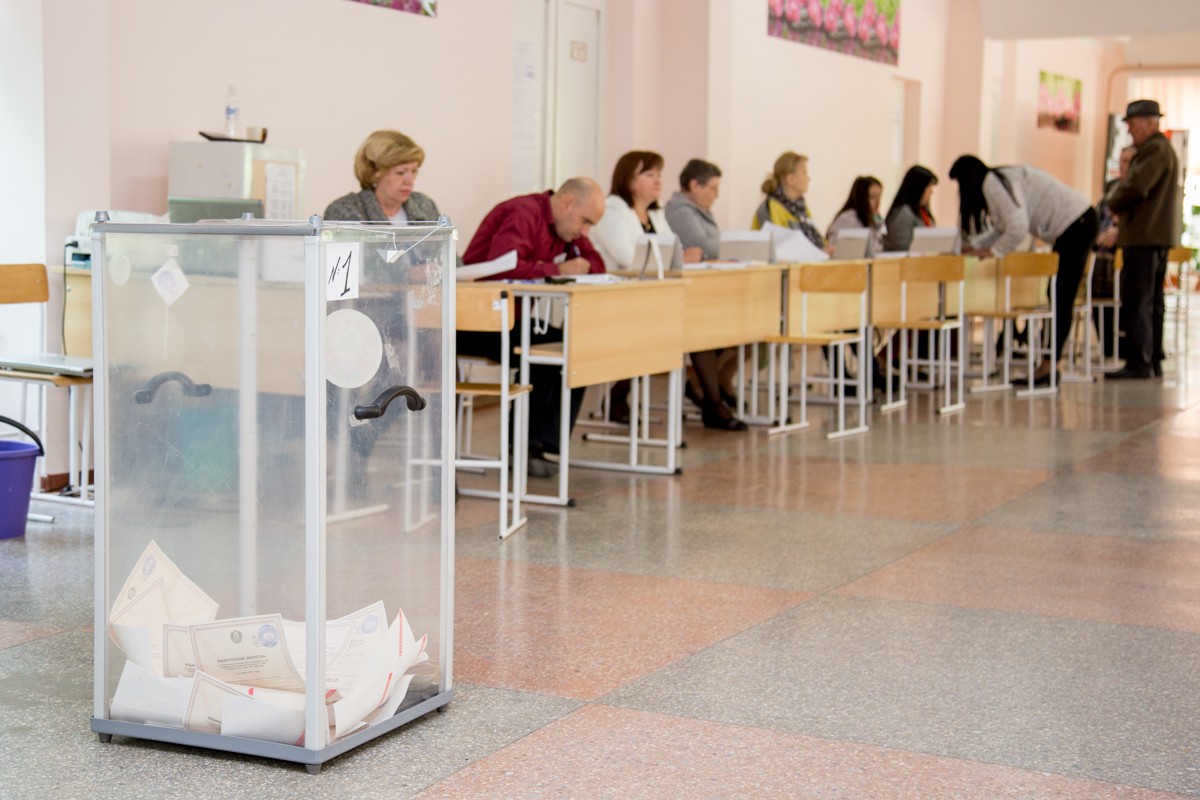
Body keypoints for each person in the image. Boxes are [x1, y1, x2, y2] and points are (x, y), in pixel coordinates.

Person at [458, 178, 607, 476]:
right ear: (567, 203)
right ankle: (520, 446)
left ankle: (540, 444)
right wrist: (558, 269)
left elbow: (597, 264)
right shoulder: (524, 213)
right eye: (586, 222)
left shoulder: (566, 228)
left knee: (575, 346)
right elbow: (503, 268)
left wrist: (580, 264)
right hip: (474, 321)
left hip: (511, 322)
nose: (586, 232)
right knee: (544, 352)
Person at [949, 155, 1099, 384]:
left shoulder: (993, 183)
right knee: (1057, 295)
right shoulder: (1001, 178)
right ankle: (1049, 365)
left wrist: (994, 252)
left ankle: (1049, 366)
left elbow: (1018, 226)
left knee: (1060, 297)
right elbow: (1004, 227)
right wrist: (977, 247)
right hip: (1078, 222)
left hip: (1075, 224)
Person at [590, 151, 675, 423]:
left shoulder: (655, 214)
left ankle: (618, 396)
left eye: (659, 174)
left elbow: (673, 254)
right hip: (611, 298)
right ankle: (617, 397)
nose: (657, 180)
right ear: (628, 180)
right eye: (649, 174)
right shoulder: (612, 211)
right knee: (655, 327)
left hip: (645, 296)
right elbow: (630, 259)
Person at [664, 159, 747, 431]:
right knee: (705, 333)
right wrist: (733, 246)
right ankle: (711, 399)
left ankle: (709, 387)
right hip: (684, 294)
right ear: (694, 185)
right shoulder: (680, 212)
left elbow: (712, 246)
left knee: (741, 325)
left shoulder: (701, 212)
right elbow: (704, 246)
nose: (716, 194)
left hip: (703, 289)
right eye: (713, 188)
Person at [1106, 99, 1182, 379]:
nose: (1129, 130)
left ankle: (1139, 360)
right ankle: (1152, 357)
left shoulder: (1154, 149)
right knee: (1151, 301)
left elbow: (1136, 185)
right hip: (1152, 236)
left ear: (1150, 123)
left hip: (1145, 236)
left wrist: (1113, 202)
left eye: (1133, 125)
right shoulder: (1161, 149)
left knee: (1138, 299)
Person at [324, 130, 441, 222]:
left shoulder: (425, 205)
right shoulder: (343, 211)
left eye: (414, 171)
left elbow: (444, 246)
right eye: (400, 172)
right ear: (374, 172)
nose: (410, 181)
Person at [1092, 145, 1137, 358]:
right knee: (1095, 293)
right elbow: (1099, 213)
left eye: (1127, 161)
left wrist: (1119, 231)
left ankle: (1122, 346)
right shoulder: (1111, 186)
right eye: (1121, 160)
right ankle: (1107, 346)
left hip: (1123, 249)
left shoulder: (1137, 188)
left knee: (1121, 298)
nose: (1122, 165)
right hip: (1101, 249)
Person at [751, 151, 826, 249]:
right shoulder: (771, 208)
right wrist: (821, 251)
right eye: (804, 173)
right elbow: (780, 248)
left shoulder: (801, 207)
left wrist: (827, 248)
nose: (808, 178)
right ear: (791, 179)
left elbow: (817, 238)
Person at [882, 165, 939, 252]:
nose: (931, 191)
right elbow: (902, 248)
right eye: (928, 186)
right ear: (918, 188)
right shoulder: (903, 214)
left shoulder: (922, 212)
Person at [827, 175, 886, 256]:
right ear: (861, 198)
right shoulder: (846, 220)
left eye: (879, 197)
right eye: (873, 197)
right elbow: (834, 249)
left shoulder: (875, 220)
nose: (878, 202)